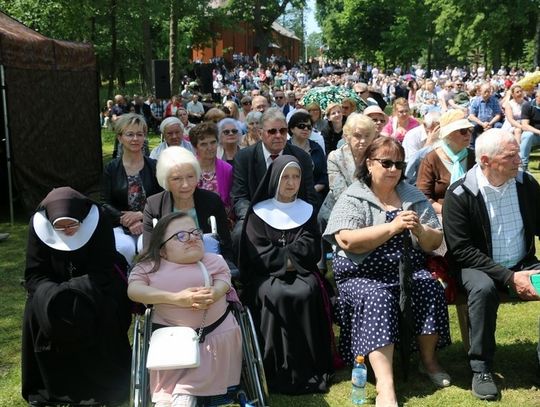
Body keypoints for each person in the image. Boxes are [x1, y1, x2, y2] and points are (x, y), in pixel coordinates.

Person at [324, 137, 451, 406]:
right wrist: (392, 227)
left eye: (399, 164)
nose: (393, 169)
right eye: (386, 163)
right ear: (370, 164)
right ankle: (385, 385)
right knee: (377, 297)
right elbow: (346, 240)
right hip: (362, 274)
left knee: (429, 287)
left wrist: (419, 229)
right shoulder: (354, 196)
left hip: (406, 271)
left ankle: (428, 362)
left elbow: (435, 241)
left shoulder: (412, 196)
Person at [443, 129, 540, 401]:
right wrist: (510, 278)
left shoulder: (526, 184)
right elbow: (461, 251)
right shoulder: (460, 193)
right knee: (483, 290)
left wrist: (518, 273)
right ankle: (481, 368)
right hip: (478, 267)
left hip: (523, 263)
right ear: (485, 161)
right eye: (510, 156)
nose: (518, 160)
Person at [22, 187, 131, 405]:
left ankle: (105, 384)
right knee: (35, 311)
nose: (68, 231)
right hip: (51, 288)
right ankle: (49, 387)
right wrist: (55, 294)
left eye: (72, 224)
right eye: (60, 227)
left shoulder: (97, 220)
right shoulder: (38, 225)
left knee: (106, 309)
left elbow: (104, 267)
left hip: (96, 285)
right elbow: (35, 273)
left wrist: (76, 290)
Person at [238, 155, 333, 394]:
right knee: (277, 294)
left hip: (301, 274)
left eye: (296, 177)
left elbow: (310, 248)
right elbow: (257, 251)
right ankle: (275, 369)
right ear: (274, 179)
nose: (291, 183)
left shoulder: (307, 210)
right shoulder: (259, 212)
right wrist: (288, 258)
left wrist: (285, 256)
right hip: (265, 277)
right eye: (286, 177)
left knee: (307, 290)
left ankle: (309, 366)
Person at [129, 212, 242, 407]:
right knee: (173, 395)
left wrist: (214, 293)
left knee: (183, 394)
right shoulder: (149, 266)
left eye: (195, 233)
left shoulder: (214, 260)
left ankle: (183, 396)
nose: (192, 238)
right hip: (172, 342)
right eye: (181, 236)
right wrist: (177, 299)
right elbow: (134, 290)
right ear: (162, 249)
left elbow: (224, 279)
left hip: (215, 336)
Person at [142, 146, 234, 267]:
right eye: (177, 179)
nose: (185, 185)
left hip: (209, 265)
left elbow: (225, 244)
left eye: (190, 177)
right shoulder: (154, 205)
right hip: (170, 268)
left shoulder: (212, 201)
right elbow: (149, 251)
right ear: (165, 180)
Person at [103, 113, 162, 264]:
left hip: (150, 222)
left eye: (139, 134)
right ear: (120, 137)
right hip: (119, 225)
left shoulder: (155, 166)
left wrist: (141, 216)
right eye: (130, 134)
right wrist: (127, 220)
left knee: (147, 247)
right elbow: (105, 202)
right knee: (124, 248)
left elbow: (163, 198)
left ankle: (150, 284)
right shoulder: (111, 168)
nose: (135, 139)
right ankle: (124, 283)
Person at [319, 113, 378, 225]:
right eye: (357, 136)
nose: (363, 140)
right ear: (347, 137)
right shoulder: (336, 157)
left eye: (367, 135)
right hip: (338, 212)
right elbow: (339, 192)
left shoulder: (377, 156)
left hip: (373, 211)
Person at [416, 110, 476, 214]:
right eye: (463, 131)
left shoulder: (474, 156)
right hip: (442, 215)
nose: (468, 134)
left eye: (470, 130)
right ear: (448, 134)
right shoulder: (431, 159)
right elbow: (423, 197)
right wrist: (447, 213)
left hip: (472, 214)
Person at [189, 122, 234, 217]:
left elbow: (231, 200)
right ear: (195, 147)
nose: (210, 148)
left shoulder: (228, 169)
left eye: (213, 142)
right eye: (203, 144)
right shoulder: (189, 169)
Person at [287, 110, 328, 209]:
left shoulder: (316, 148)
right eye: (301, 126)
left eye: (309, 127)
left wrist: (313, 190)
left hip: (314, 196)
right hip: (289, 197)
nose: (306, 129)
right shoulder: (285, 149)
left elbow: (324, 175)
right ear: (292, 128)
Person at [519, 89, 540, 171]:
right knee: (527, 135)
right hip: (533, 136)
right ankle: (523, 164)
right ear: (537, 97)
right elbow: (524, 125)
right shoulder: (527, 106)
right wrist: (538, 132)